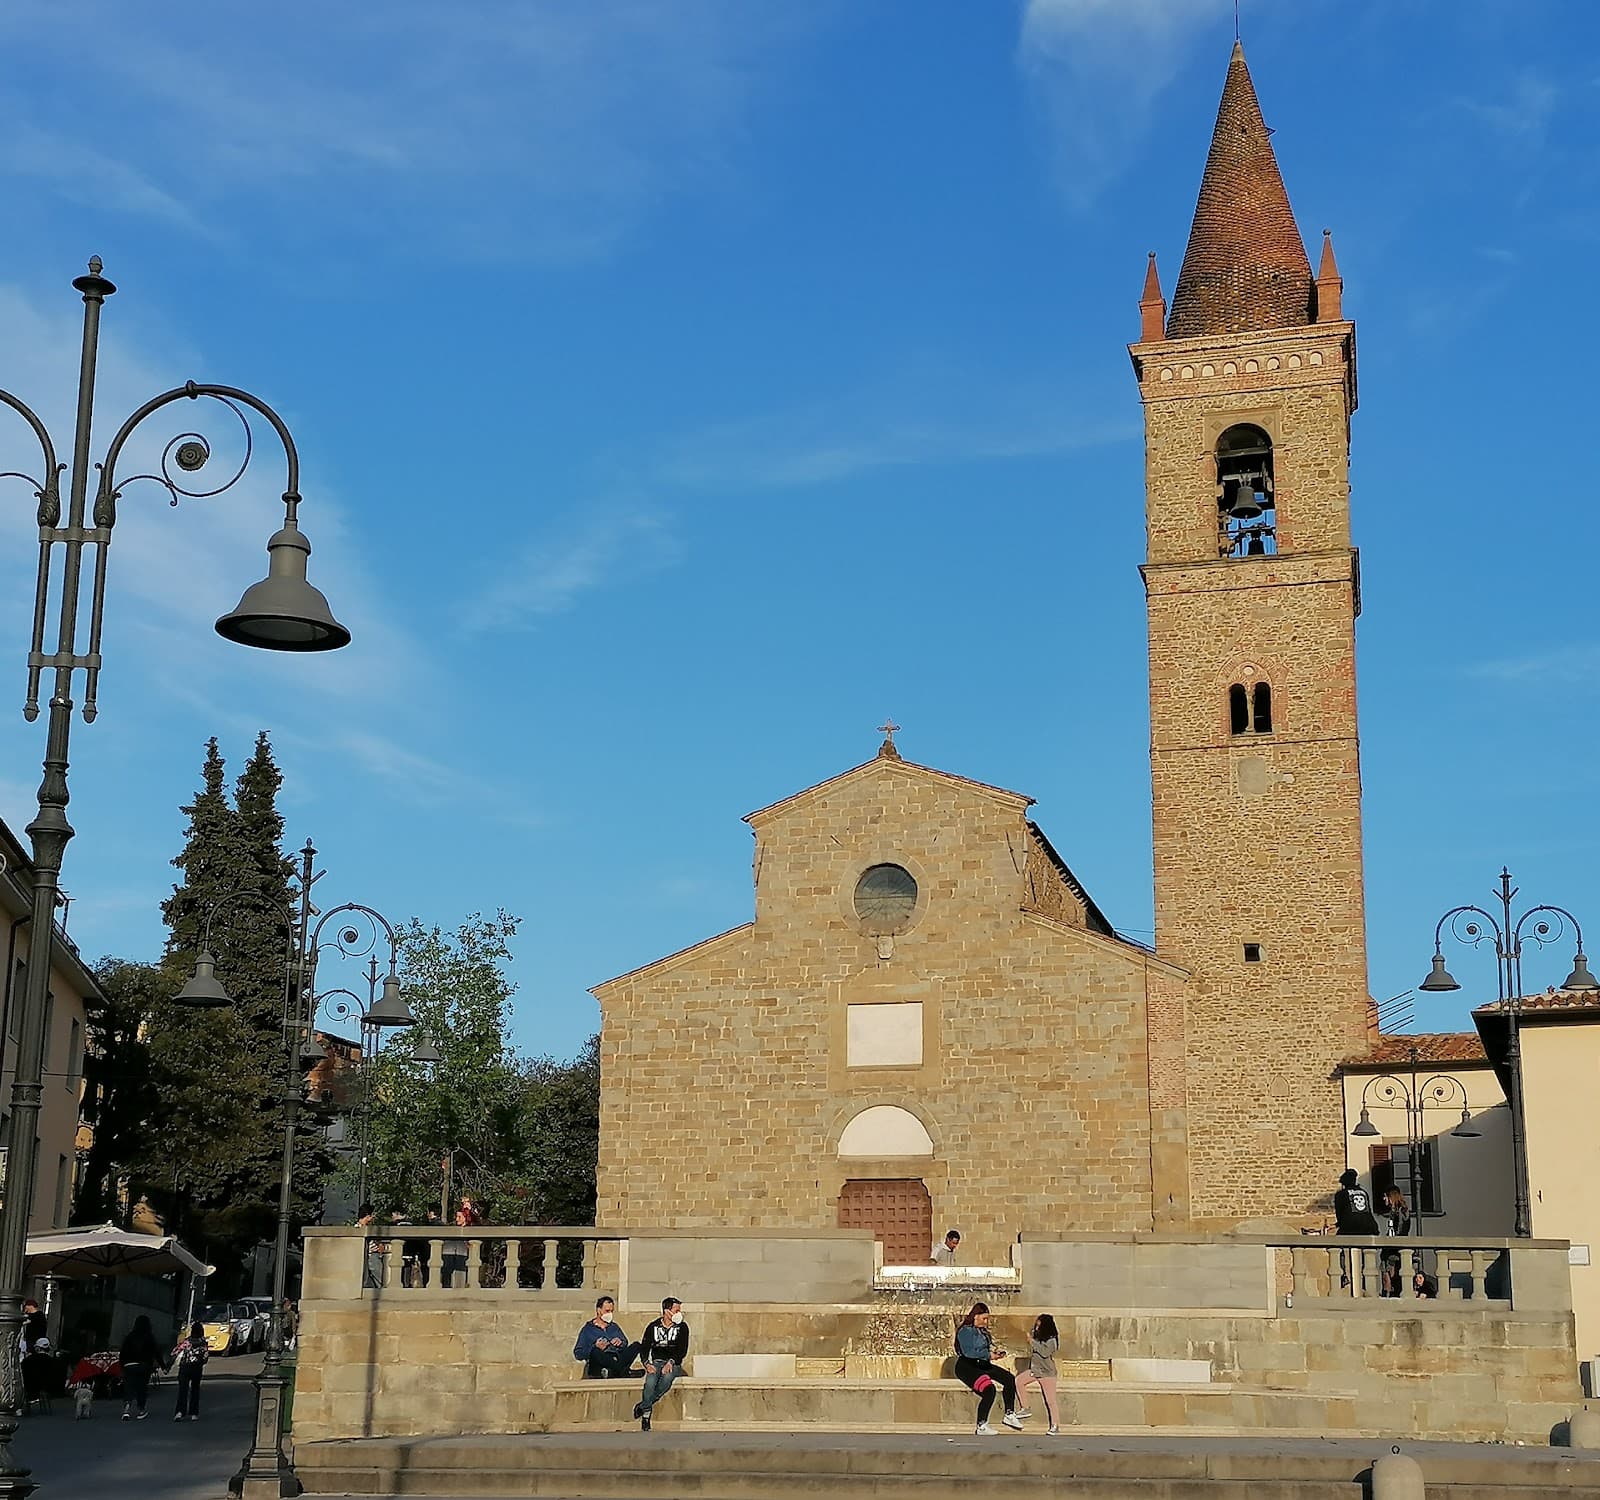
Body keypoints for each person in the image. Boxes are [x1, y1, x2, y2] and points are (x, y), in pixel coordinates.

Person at [953, 1302, 1023, 1435]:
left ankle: (1009, 1414)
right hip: (967, 1366)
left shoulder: (982, 1331)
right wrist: (989, 1355)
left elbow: (985, 1349)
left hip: (982, 1363)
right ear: (975, 1316)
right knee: (989, 1389)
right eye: (984, 1318)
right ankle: (981, 1425)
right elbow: (969, 1353)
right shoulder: (965, 1331)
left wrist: (995, 1353)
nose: (986, 1321)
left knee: (1009, 1379)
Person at [632, 1296, 688, 1432]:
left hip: (673, 1363)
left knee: (667, 1379)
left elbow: (682, 1349)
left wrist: (671, 1362)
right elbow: (644, 1347)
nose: (679, 1313)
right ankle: (646, 1415)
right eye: (676, 1310)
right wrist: (646, 1363)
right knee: (650, 1381)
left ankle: (643, 1406)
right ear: (667, 1311)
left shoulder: (683, 1327)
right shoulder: (653, 1326)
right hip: (656, 1362)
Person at [1332, 1169, 1380, 1289]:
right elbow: (1365, 1210)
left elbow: (1341, 1215)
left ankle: (1343, 1275)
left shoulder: (1341, 1194)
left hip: (1351, 1226)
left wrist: (1338, 1224)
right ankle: (1366, 1281)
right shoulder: (1364, 1192)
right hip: (1369, 1226)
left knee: (1337, 1247)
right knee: (1366, 1254)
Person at [1013, 1312, 1060, 1435]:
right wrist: (1033, 1334)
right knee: (1019, 1381)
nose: (1037, 1327)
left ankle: (1055, 1425)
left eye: (1039, 1325)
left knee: (1050, 1400)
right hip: (1035, 1370)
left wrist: (1032, 1341)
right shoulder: (1038, 1337)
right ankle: (1025, 1408)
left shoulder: (1052, 1340)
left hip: (1047, 1373)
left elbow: (1045, 1352)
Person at [573, 1296, 638, 1379]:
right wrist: (595, 1346)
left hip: (615, 1357)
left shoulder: (614, 1327)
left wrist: (620, 1342)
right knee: (596, 1352)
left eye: (611, 1311)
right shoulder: (588, 1329)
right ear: (599, 1310)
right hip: (599, 1361)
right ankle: (624, 1372)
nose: (609, 1314)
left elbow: (625, 1342)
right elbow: (578, 1353)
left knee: (636, 1346)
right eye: (607, 1311)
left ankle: (616, 1371)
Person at [118, 1314, 167, 1420]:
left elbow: (122, 1353)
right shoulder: (149, 1337)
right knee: (142, 1387)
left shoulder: (130, 1336)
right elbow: (156, 1352)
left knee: (129, 1387)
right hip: (144, 1366)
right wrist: (163, 1366)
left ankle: (127, 1408)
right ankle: (141, 1409)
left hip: (129, 1365)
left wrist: (122, 1366)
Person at [171, 1320, 208, 1421]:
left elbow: (174, 1352)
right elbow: (205, 1358)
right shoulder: (203, 1343)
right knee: (195, 1390)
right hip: (197, 1369)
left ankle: (179, 1412)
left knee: (183, 1390)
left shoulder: (187, 1342)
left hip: (185, 1368)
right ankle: (194, 1413)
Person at [1380, 1186, 1410, 1298]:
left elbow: (1401, 1231)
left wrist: (1392, 1241)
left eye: (1385, 1196)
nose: (1384, 1199)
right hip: (1392, 1249)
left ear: (1390, 1197)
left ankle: (1389, 1296)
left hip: (1394, 1251)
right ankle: (1388, 1295)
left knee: (1390, 1276)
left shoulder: (1400, 1211)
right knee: (1387, 1275)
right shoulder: (1396, 1211)